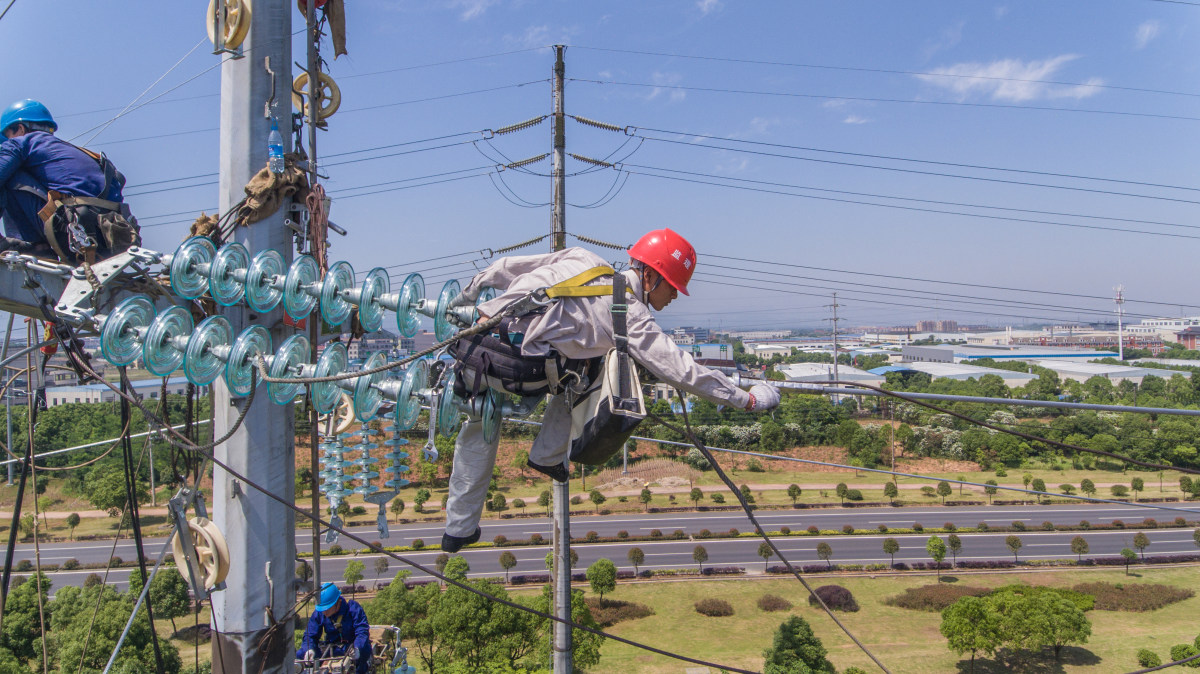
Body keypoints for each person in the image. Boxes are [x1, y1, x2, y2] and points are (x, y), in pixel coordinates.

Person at [440, 228, 780, 552]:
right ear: (650, 277)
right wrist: (747, 399)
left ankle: (458, 529)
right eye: (673, 286)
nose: (675, 295)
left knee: (478, 420)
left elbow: (502, 268)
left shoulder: (583, 258)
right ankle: (547, 455)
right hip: (515, 367)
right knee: (604, 363)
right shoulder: (629, 315)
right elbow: (682, 370)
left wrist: (463, 299)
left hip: (475, 344)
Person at [0, 98, 137, 259]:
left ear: (20, 128)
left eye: (8, 136)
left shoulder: (21, 143)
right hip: (114, 240)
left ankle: (35, 248)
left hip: (73, 232)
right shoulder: (84, 154)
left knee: (10, 174)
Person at [297, 582, 372, 673]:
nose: (324, 612)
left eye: (327, 608)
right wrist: (309, 649)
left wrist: (358, 648)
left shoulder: (352, 608)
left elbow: (362, 631)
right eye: (322, 609)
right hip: (332, 647)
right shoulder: (319, 613)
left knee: (363, 654)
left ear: (337, 602)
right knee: (301, 654)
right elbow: (310, 634)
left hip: (351, 647)